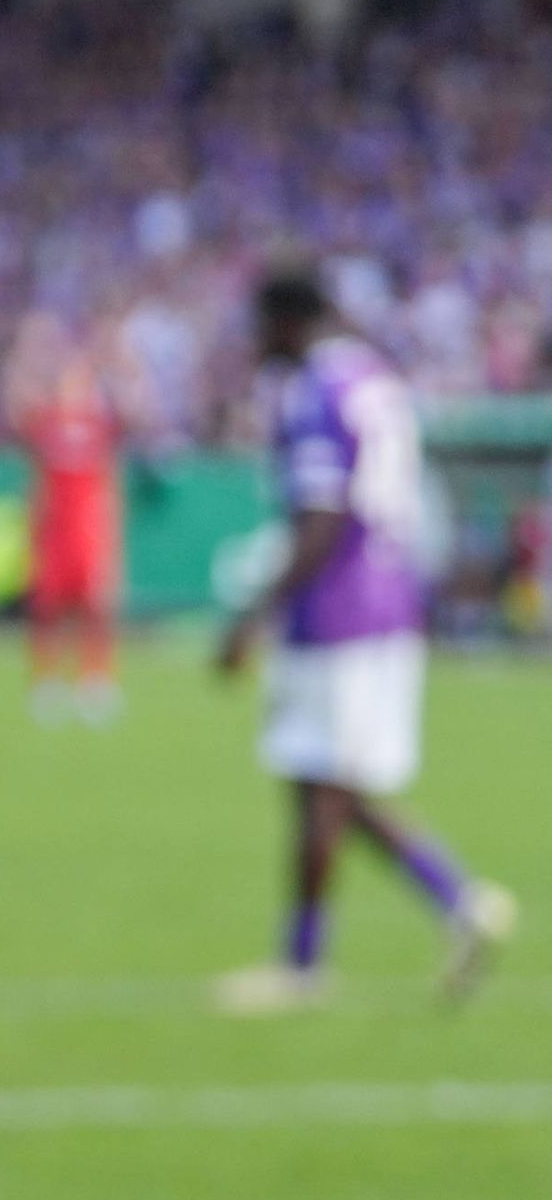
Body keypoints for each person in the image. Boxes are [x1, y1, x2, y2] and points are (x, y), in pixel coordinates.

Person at [214, 264, 514, 1011]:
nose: (254, 343)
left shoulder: (318, 388)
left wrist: (255, 612)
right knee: (327, 785)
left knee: (323, 786)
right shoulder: (373, 375)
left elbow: (323, 515)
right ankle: (459, 901)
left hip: (342, 609)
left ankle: (305, 964)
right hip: (388, 600)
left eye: (260, 325)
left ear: (287, 321)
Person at [1, 312, 137, 726]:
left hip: (90, 530)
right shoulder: (48, 420)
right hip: (54, 531)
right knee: (48, 607)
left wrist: (117, 356)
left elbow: (136, 410)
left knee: (95, 607)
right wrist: (28, 352)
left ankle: (95, 681)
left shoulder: (98, 423)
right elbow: (14, 408)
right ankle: (46, 681)